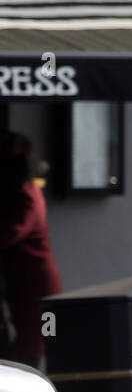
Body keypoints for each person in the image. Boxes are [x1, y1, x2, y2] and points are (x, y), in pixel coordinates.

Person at [0, 133, 62, 367]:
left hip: (34, 282)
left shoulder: (26, 194)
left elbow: (13, 231)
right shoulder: (27, 190)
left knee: (33, 344)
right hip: (26, 280)